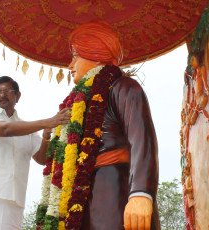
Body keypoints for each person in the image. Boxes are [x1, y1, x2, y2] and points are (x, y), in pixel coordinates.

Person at [66, 20, 160, 230]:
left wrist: (141, 193)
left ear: (94, 52)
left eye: (74, 56)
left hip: (116, 191)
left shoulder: (124, 88)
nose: (69, 66)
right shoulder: (77, 104)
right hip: (81, 198)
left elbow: (142, 140)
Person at [0, 76, 70, 230]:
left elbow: (41, 159)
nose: (2, 95)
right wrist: (46, 122)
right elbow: (4, 129)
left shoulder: (25, 127)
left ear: (17, 96)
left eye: (7, 91)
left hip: (15, 200)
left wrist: (46, 137)